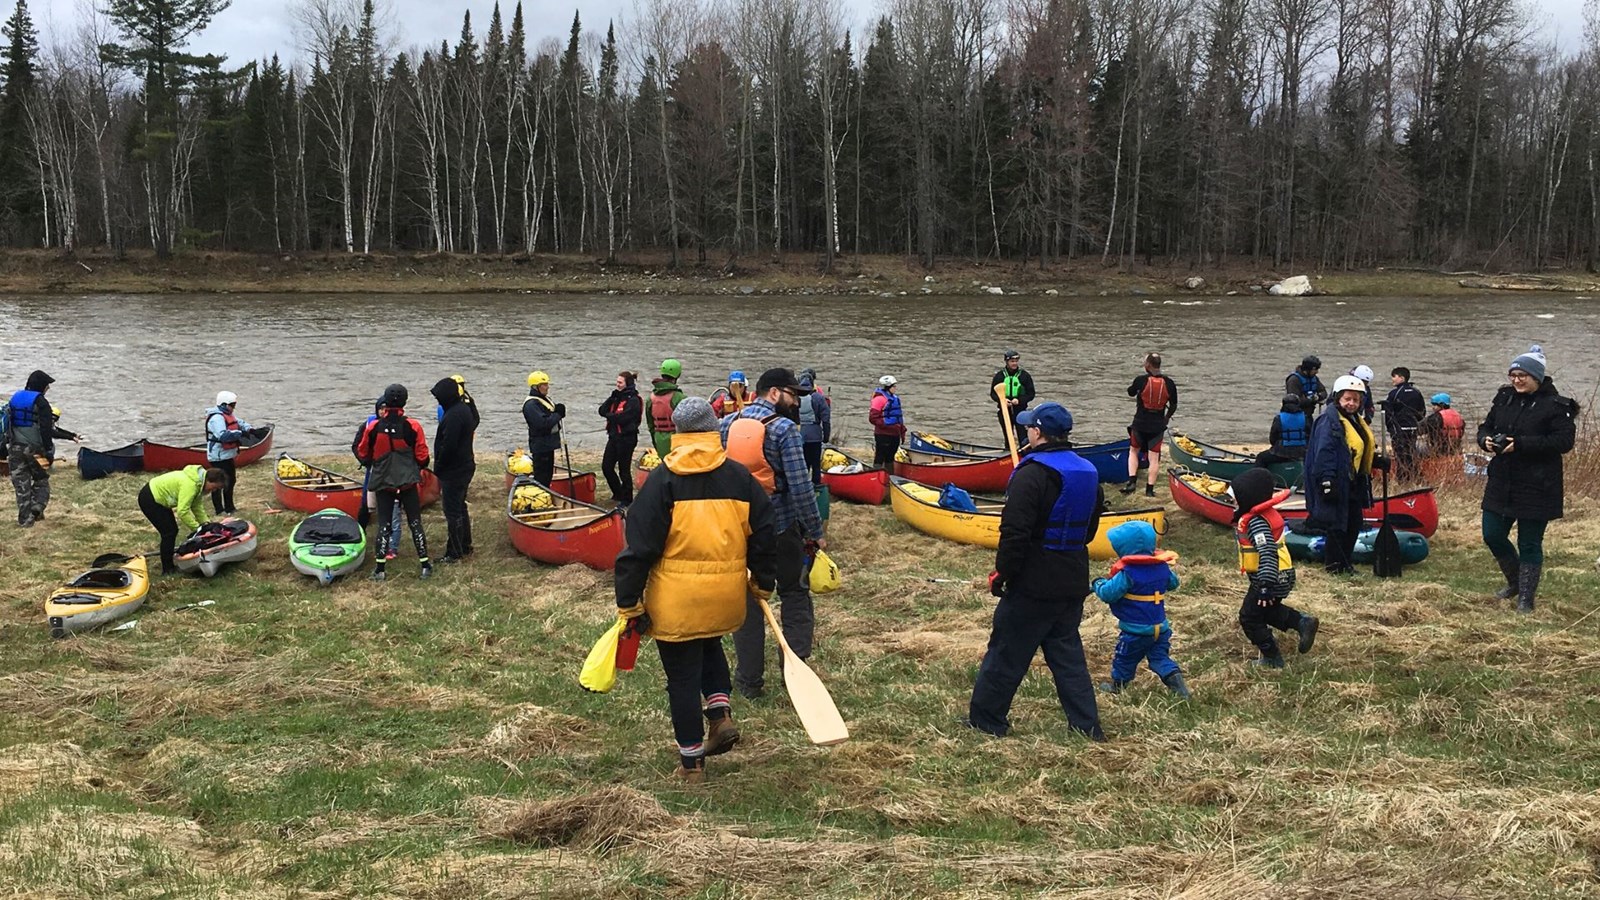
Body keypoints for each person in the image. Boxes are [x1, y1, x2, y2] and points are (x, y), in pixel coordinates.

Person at [615, 397, 778, 784]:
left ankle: (692, 765)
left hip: (676, 598)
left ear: (676, 431)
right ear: (714, 429)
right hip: (725, 596)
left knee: (682, 677)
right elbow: (765, 533)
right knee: (709, 642)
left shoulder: (662, 481)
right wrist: (764, 582)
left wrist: (628, 600)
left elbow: (639, 546)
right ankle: (720, 715)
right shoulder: (740, 478)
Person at [967, 401, 1105, 740]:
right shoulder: (1088, 472)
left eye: (1029, 427)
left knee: (1006, 654)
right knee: (1069, 658)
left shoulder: (1032, 474)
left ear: (1038, 433)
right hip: (1072, 579)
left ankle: (987, 721)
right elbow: (1089, 530)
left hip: (1033, 583)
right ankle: (1087, 728)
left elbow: (1014, 533)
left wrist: (1003, 574)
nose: (1026, 431)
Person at [720, 368, 827, 699]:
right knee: (794, 593)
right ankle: (795, 670)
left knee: (749, 603)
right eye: (794, 396)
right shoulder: (784, 430)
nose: (797, 402)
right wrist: (815, 530)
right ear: (775, 393)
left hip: (740, 530)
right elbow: (799, 486)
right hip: (780, 528)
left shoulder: (726, 425)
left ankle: (748, 681)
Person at [1477, 345, 1578, 614]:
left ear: (1537, 376)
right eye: (1513, 375)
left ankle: (1526, 598)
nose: (1517, 380)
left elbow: (1563, 441)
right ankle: (1514, 582)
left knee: (1529, 542)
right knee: (1492, 533)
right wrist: (1484, 440)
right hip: (1502, 480)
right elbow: (1486, 426)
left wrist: (1520, 444)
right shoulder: (1504, 398)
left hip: (1538, 483)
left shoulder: (1557, 406)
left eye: (1522, 375)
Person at [1231, 467, 1318, 668]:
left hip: (1271, 577)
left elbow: (1268, 551)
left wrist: (1265, 586)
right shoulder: (1261, 517)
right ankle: (1302, 622)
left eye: (1236, 498)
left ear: (1248, 498)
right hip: (1281, 575)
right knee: (1266, 611)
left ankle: (1272, 657)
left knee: (1250, 617)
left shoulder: (1256, 523)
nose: (1234, 502)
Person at [1093, 520, 1188, 699]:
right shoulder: (1162, 566)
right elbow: (1174, 583)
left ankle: (1117, 685)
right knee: (1160, 658)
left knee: (1125, 658)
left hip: (1136, 630)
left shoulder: (1128, 572)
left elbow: (1108, 594)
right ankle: (1179, 687)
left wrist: (1097, 583)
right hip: (1161, 628)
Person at [1304, 374, 1383, 575]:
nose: (1351, 403)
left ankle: (1346, 563)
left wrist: (1377, 461)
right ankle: (1333, 566)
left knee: (1354, 523)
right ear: (1338, 398)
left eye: (1356, 400)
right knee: (1338, 525)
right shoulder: (1329, 422)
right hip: (1335, 480)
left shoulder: (1355, 420)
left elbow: (1356, 449)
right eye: (1347, 399)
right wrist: (1327, 481)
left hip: (1354, 481)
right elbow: (1324, 453)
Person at [354, 384, 433, 582]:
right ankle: (424, 565)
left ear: (385, 402)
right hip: (407, 481)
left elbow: (363, 452)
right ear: (405, 401)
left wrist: (373, 462)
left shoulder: (373, 426)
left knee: (384, 524)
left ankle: (380, 569)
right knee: (415, 522)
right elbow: (423, 455)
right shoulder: (413, 426)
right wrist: (417, 465)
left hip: (383, 481)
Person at [5, 370, 81, 527]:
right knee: (41, 479)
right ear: (41, 386)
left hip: (14, 449)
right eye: (47, 385)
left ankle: (25, 521)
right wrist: (47, 451)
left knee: (21, 484)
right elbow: (46, 430)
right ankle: (37, 509)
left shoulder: (15, 398)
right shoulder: (41, 402)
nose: (48, 388)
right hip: (35, 451)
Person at [139, 465, 227, 575]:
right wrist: (198, 529)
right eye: (214, 487)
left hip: (159, 499)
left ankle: (169, 565)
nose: (213, 491)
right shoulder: (191, 485)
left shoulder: (199, 483)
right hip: (150, 498)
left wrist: (206, 524)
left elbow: (197, 507)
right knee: (169, 532)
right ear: (209, 480)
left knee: (172, 530)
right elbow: (182, 511)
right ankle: (167, 569)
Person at [431, 377, 477, 562]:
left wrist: (439, 465)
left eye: (439, 397)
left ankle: (454, 552)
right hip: (465, 465)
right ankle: (465, 545)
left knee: (452, 511)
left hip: (454, 469)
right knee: (460, 506)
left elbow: (448, 446)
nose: (437, 400)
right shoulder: (463, 409)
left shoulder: (453, 416)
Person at [1122, 353, 1176, 497]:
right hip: (1157, 425)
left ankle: (1131, 482)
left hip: (1140, 423)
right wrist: (1166, 418)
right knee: (1154, 457)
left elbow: (1130, 392)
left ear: (1148, 365)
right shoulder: (1169, 383)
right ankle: (1150, 490)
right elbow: (1174, 405)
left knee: (1133, 451)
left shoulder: (1141, 380)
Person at [204, 391, 265, 516]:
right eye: (231, 405)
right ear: (223, 404)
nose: (233, 408)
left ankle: (230, 507)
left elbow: (239, 423)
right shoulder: (216, 418)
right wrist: (240, 434)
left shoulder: (227, 414)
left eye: (234, 405)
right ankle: (219, 510)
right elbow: (223, 435)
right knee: (218, 482)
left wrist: (251, 430)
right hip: (218, 456)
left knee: (230, 480)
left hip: (227, 454)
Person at [599, 371, 644, 506]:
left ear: (627, 383)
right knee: (606, 467)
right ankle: (617, 493)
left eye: (620, 382)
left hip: (627, 439)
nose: (617, 385)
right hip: (613, 437)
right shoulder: (616, 397)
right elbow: (601, 410)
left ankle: (627, 498)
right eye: (617, 382)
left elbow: (624, 418)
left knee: (624, 470)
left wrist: (610, 416)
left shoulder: (634, 400)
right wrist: (612, 400)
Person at [1381, 367, 1427, 481]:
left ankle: (1402, 479)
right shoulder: (1416, 392)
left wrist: (1391, 428)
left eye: (1394, 376)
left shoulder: (1394, 393)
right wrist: (1416, 422)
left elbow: (1388, 413)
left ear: (1401, 378)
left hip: (1399, 429)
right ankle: (1414, 477)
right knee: (1411, 453)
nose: (1392, 379)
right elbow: (1422, 411)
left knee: (1400, 455)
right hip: (1413, 428)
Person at [521, 371, 565, 487]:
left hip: (548, 444)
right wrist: (558, 414)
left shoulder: (543, 400)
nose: (547, 387)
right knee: (542, 477)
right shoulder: (531, 405)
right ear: (536, 387)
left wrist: (558, 410)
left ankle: (544, 496)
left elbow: (550, 415)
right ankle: (538, 500)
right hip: (541, 445)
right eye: (544, 385)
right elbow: (543, 424)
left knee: (547, 476)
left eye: (547, 384)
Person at [989, 350, 1035, 446]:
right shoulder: (999, 376)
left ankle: (1023, 454)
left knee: (1023, 436)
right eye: (1012, 361)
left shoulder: (1024, 376)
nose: (1014, 363)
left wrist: (1019, 400)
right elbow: (993, 394)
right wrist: (1002, 400)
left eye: (1016, 361)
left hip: (1020, 411)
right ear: (1007, 362)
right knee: (1008, 437)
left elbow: (1031, 394)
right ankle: (1008, 454)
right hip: (1004, 410)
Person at [1255, 393, 1310, 468]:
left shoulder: (1279, 418)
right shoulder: (1305, 418)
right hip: (1302, 452)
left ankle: (1260, 477)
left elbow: (1272, 439)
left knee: (1261, 457)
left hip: (1281, 453)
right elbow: (1310, 436)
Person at [796, 369, 831, 485]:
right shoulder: (818, 398)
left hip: (800, 435)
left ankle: (803, 487)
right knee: (816, 465)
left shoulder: (795, 397)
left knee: (803, 464)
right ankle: (816, 488)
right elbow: (826, 419)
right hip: (815, 435)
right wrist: (826, 436)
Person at [647, 359, 686, 458]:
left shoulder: (650, 398)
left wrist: (655, 441)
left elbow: (650, 424)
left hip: (659, 438)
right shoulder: (679, 397)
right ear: (677, 375)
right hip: (677, 439)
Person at [869, 375, 906, 470]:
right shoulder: (879, 399)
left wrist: (902, 431)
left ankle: (889, 477)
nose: (895, 388)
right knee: (880, 457)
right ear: (889, 387)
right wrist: (885, 424)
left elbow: (898, 417)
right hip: (883, 434)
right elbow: (873, 418)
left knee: (890, 458)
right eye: (894, 386)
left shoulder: (895, 398)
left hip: (895, 434)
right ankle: (877, 475)